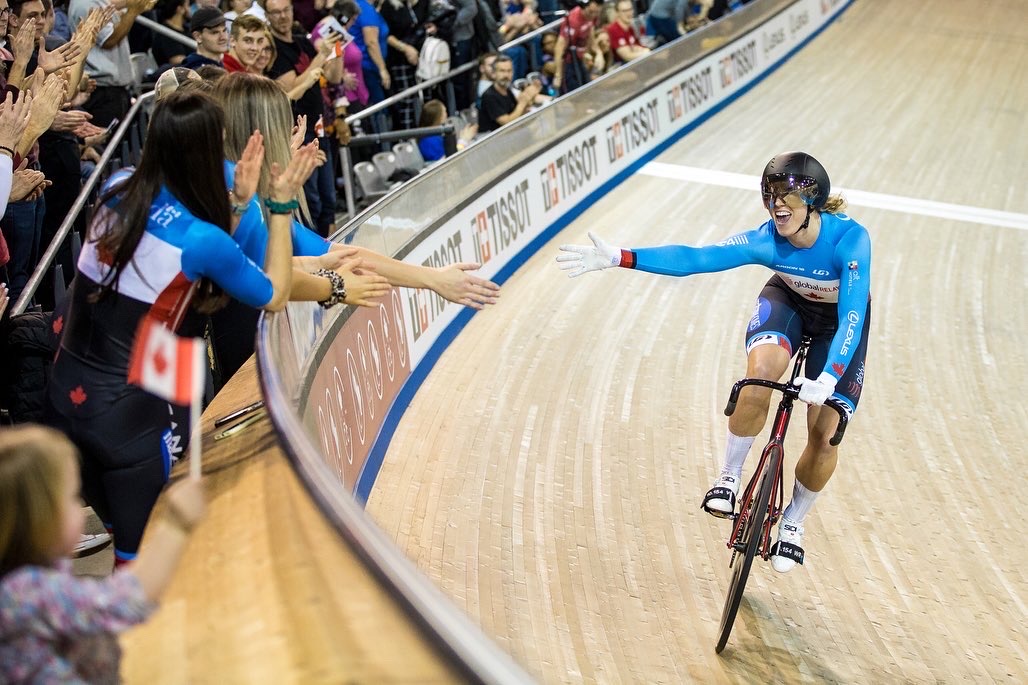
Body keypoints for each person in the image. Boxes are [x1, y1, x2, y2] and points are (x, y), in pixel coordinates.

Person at [557, 152, 871, 573]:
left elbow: (852, 315)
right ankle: (729, 476)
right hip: (790, 304)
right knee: (758, 377)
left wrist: (830, 376)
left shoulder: (850, 241)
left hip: (839, 325)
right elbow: (696, 258)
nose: (777, 205)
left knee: (824, 432)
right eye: (770, 195)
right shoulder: (766, 241)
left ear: (813, 202)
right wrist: (621, 256)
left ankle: (793, 522)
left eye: (787, 198)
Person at [43, 89, 320, 567]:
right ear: (210, 153)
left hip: (64, 400)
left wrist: (236, 204)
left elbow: (172, 263)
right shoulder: (201, 240)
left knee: (114, 566)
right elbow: (273, 292)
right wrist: (277, 207)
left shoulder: (119, 184)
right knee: (146, 574)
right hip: (128, 422)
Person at [0, 424, 206, 682]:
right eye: (73, 498)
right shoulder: (24, 592)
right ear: (40, 519)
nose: (81, 508)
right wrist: (175, 526)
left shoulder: (39, 572)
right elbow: (126, 601)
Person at [478, 52, 538, 133]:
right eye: (502, 71)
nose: (506, 75)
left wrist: (528, 98)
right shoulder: (489, 96)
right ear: (494, 73)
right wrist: (522, 103)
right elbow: (507, 123)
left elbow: (517, 114)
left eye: (509, 71)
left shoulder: (507, 90)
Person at [551, 0, 600, 94]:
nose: (593, 15)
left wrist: (598, 53)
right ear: (583, 7)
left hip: (580, 60)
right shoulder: (573, 20)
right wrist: (558, 74)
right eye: (590, 12)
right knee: (575, 94)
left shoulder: (593, 16)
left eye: (596, 12)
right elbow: (559, 47)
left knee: (589, 90)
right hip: (568, 64)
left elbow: (591, 35)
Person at [604, 0, 649, 64]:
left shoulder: (631, 26)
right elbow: (627, 56)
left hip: (635, 63)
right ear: (617, 13)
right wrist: (645, 52)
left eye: (630, 9)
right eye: (624, 11)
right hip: (620, 66)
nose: (629, 13)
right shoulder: (613, 30)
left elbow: (638, 46)